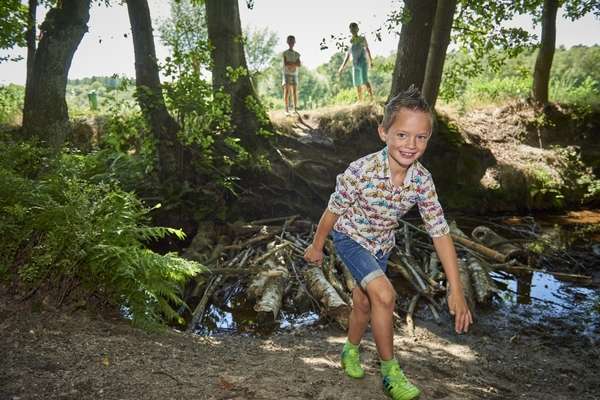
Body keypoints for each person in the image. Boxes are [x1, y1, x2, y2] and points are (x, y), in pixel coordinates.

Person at [303, 86, 473, 400]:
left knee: (365, 303)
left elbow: (439, 231)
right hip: (349, 238)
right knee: (384, 295)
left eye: (420, 137)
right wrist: (317, 245)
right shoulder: (361, 171)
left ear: (428, 138)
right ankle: (390, 373)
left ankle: (350, 351)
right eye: (402, 135)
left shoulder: (422, 181)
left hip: (381, 245)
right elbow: (333, 210)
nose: (411, 145)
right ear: (384, 132)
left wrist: (457, 289)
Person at [338, 22, 374, 101]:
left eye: (354, 29)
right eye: (351, 30)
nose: (353, 31)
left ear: (357, 29)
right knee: (357, 83)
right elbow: (348, 56)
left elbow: (367, 50)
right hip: (355, 64)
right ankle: (360, 100)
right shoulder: (350, 42)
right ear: (350, 31)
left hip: (363, 62)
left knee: (364, 80)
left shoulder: (362, 39)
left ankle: (371, 98)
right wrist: (342, 66)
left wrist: (371, 61)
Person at [282, 35, 301, 115]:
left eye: (292, 42)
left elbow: (299, 64)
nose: (291, 44)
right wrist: (294, 64)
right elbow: (286, 64)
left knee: (294, 92)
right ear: (287, 42)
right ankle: (286, 109)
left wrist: (291, 64)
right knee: (287, 92)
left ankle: (295, 109)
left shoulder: (297, 54)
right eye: (290, 42)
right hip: (286, 73)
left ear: (295, 42)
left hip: (294, 74)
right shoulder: (285, 53)